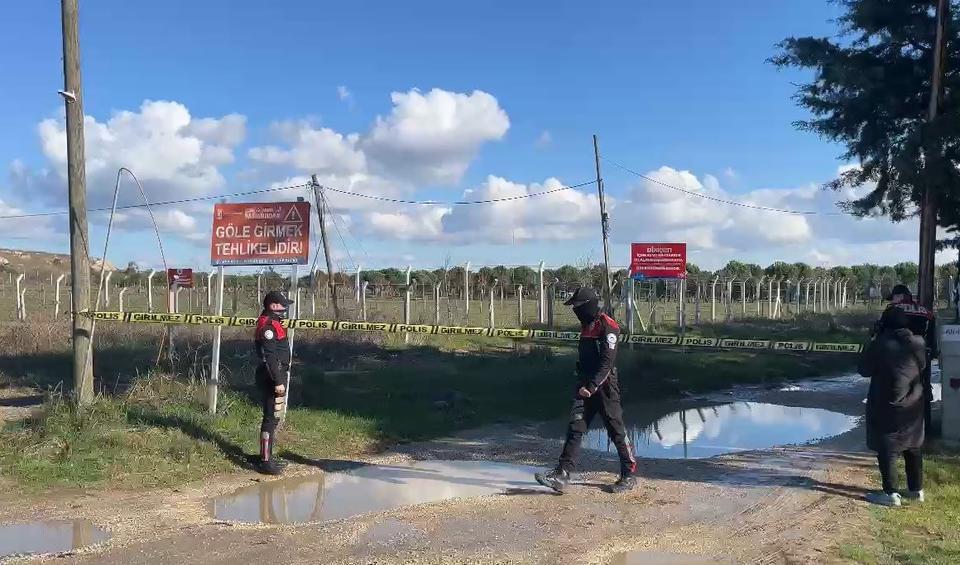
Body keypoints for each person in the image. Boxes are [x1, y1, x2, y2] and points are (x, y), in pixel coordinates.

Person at [535, 287, 637, 494]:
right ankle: (562, 474)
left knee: (616, 430)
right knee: (575, 427)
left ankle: (629, 474)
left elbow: (607, 363)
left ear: (589, 304)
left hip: (605, 387)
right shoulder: (585, 326)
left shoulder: (608, 327)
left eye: (577, 306)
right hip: (584, 385)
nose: (575, 310)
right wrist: (582, 382)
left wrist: (592, 386)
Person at [859, 307, 927, 507]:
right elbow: (921, 366)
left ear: (885, 324)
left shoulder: (881, 345)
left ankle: (890, 493)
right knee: (913, 445)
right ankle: (916, 491)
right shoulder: (919, 343)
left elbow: (863, 369)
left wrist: (871, 341)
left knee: (887, 446)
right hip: (913, 403)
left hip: (887, 403)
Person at [874, 284, 938, 435]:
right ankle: (924, 428)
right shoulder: (926, 312)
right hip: (922, 356)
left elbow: (881, 335)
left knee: (894, 392)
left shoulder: (892, 311)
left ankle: (896, 429)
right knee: (922, 389)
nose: (893, 300)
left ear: (900, 296)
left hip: (896, 358)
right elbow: (932, 337)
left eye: (894, 297)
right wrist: (932, 352)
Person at [254, 291, 293, 475]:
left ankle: (267, 456)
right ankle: (266, 462)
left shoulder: (271, 321)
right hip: (272, 375)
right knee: (270, 419)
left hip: (274, 373)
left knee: (272, 417)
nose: (285, 308)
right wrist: (278, 381)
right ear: (273, 306)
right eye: (283, 305)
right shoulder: (268, 325)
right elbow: (269, 356)